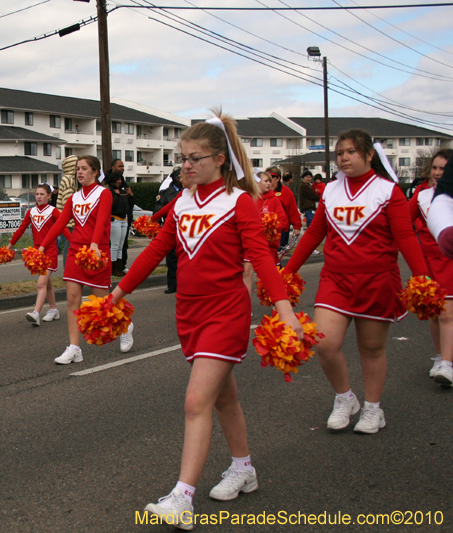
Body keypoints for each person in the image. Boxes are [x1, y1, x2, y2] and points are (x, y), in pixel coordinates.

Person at [112, 112, 302, 528]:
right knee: (223, 397)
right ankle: (243, 467)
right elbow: (153, 252)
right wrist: (117, 293)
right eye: (183, 159)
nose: (186, 166)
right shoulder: (181, 203)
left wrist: (284, 312)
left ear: (219, 159)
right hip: (189, 314)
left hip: (226, 312)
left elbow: (262, 260)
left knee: (196, 401)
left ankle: (183, 496)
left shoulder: (240, 203)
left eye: (194, 158)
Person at [284, 130, 429, 434]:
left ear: (369, 155)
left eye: (351, 152)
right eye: (340, 153)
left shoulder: (387, 191)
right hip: (336, 279)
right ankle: (345, 398)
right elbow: (315, 233)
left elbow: (404, 236)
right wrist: (290, 270)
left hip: (377, 279)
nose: (344, 158)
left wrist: (421, 278)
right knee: (324, 343)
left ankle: (373, 409)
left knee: (371, 348)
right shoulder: (332, 191)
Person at [40, 155, 134, 364]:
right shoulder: (74, 197)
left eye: (84, 168)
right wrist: (42, 245)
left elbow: (101, 221)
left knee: (102, 303)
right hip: (75, 251)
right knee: (73, 299)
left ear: (94, 172)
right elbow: (60, 223)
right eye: (77, 169)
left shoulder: (104, 193)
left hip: (97, 252)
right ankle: (74, 348)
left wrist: (93, 244)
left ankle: (125, 325)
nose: (79, 172)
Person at [408, 148, 453, 385]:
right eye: (434, 168)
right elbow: (403, 219)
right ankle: (441, 357)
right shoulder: (421, 194)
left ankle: (447, 362)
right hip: (427, 261)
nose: (437, 173)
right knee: (434, 313)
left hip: (450, 259)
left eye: (443, 169)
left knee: (447, 313)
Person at [8, 183, 70, 325]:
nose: (39, 197)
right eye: (37, 194)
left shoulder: (54, 211)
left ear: (49, 196)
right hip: (36, 253)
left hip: (50, 251)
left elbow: (64, 229)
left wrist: (75, 244)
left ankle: (36, 313)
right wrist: (9, 246)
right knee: (46, 283)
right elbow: (21, 229)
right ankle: (53, 310)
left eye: (42, 194)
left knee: (41, 283)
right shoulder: (31, 212)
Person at [153, 168, 184, 294]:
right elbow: (158, 209)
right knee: (172, 260)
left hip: (186, 229)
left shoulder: (190, 192)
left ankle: (184, 283)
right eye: (180, 178)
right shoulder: (165, 193)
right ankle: (172, 285)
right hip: (171, 228)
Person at [105, 164, 134, 277]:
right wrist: (116, 195)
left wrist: (130, 196)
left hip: (124, 219)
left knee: (121, 245)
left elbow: (130, 205)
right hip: (115, 220)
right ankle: (112, 268)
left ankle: (119, 267)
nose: (118, 181)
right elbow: (111, 206)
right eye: (116, 180)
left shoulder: (123, 190)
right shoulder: (109, 191)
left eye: (120, 179)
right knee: (115, 245)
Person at [268, 167, 301, 251]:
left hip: (281, 229)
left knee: (278, 255)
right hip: (266, 229)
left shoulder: (286, 191)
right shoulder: (262, 190)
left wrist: (296, 226)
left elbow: (292, 209)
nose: (268, 180)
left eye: (271, 177)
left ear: (278, 178)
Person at [56, 155, 78, 262]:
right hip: (70, 223)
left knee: (70, 248)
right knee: (69, 249)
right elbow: (68, 202)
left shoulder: (68, 179)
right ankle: (67, 273)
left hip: (69, 222)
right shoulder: (69, 179)